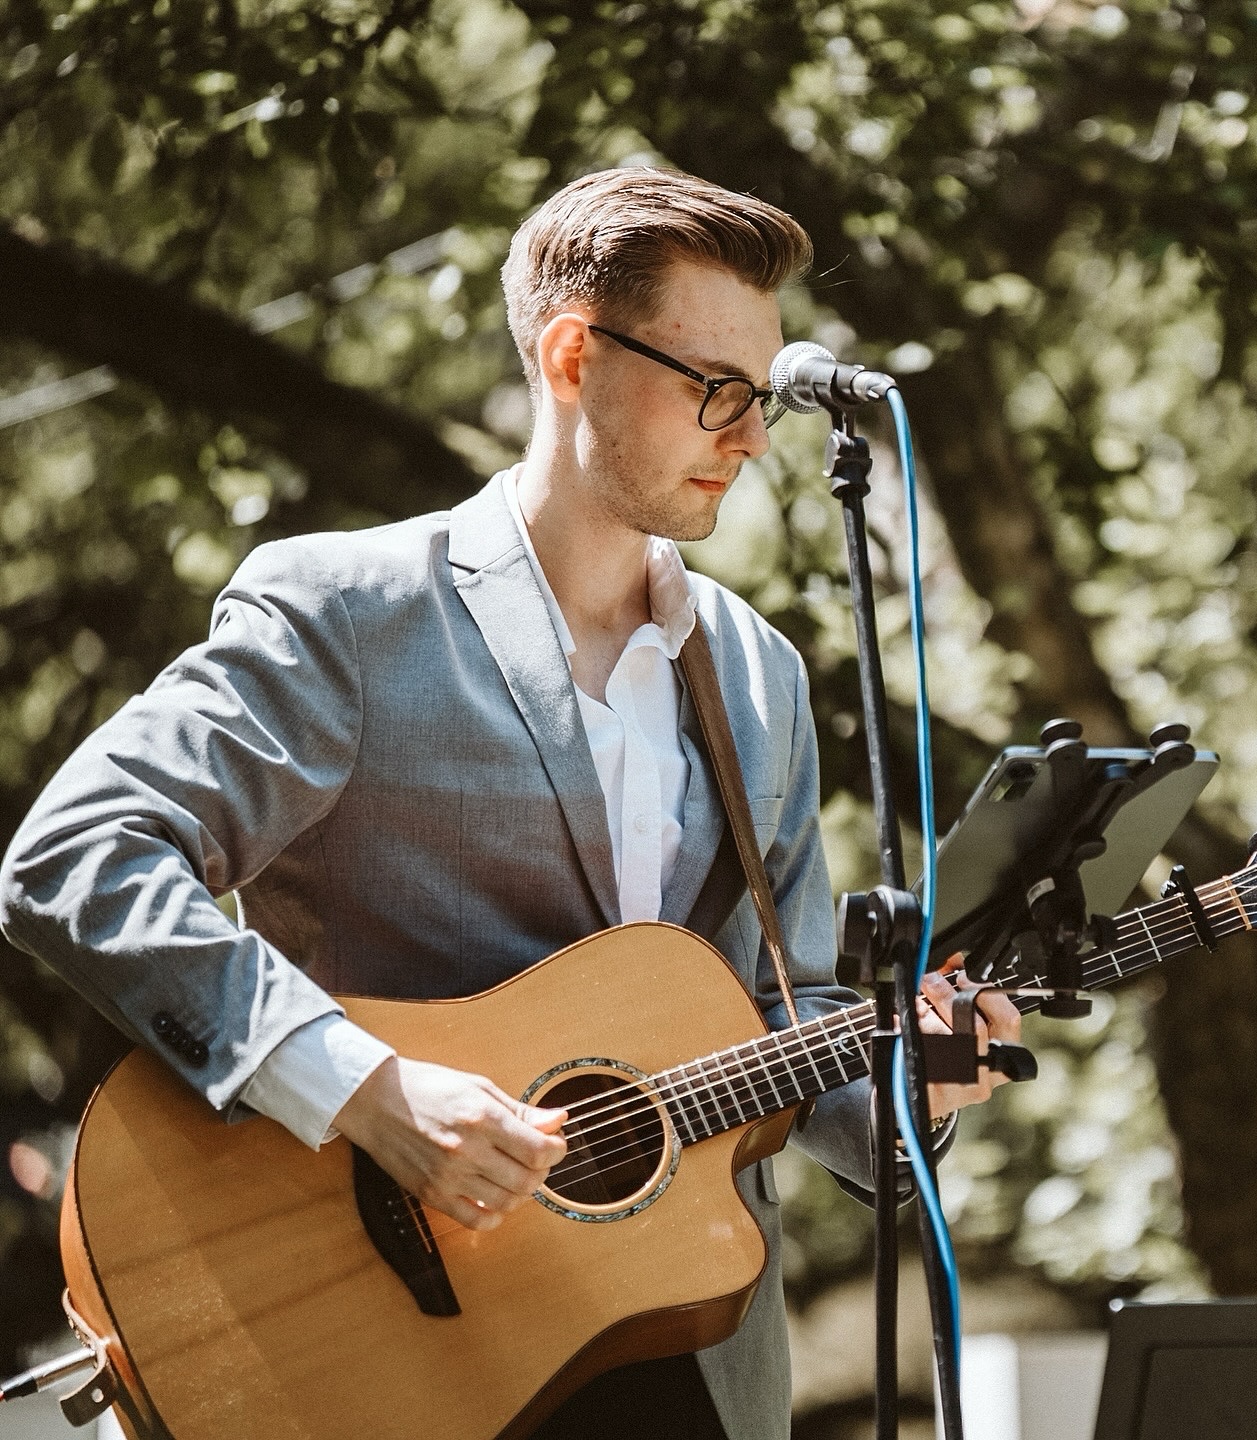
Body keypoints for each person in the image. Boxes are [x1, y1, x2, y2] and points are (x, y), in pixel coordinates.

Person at [0, 167, 1019, 1440]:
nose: (753, 438)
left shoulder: (758, 673)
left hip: (691, 1359)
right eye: (719, 391)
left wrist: (912, 1086)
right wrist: (369, 1088)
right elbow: (78, 854)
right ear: (573, 353)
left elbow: (787, 1013)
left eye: (763, 400)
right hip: (391, 1354)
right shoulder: (352, 613)